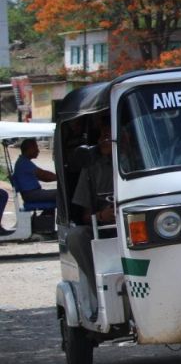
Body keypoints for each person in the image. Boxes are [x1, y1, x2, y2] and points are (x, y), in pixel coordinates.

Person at [66, 124, 114, 317]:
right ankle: (102, 298)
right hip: (107, 228)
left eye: (112, 135)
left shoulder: (143, 159)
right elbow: (85, 215)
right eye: (104, 135)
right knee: (76, 236)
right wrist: (102, 216)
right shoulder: (92, 169)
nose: (108, 139)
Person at [11, 138, 57, 204]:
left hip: (32, 193)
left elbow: (43, 177)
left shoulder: (23, 161)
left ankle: (47, 213)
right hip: (31, 195)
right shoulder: (24, 163)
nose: (38, 151)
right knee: (61, 194)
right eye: (35, 148)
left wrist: (55, 177)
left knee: (58, 193)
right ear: (29, 149)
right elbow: (43, 175)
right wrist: (59, 177)